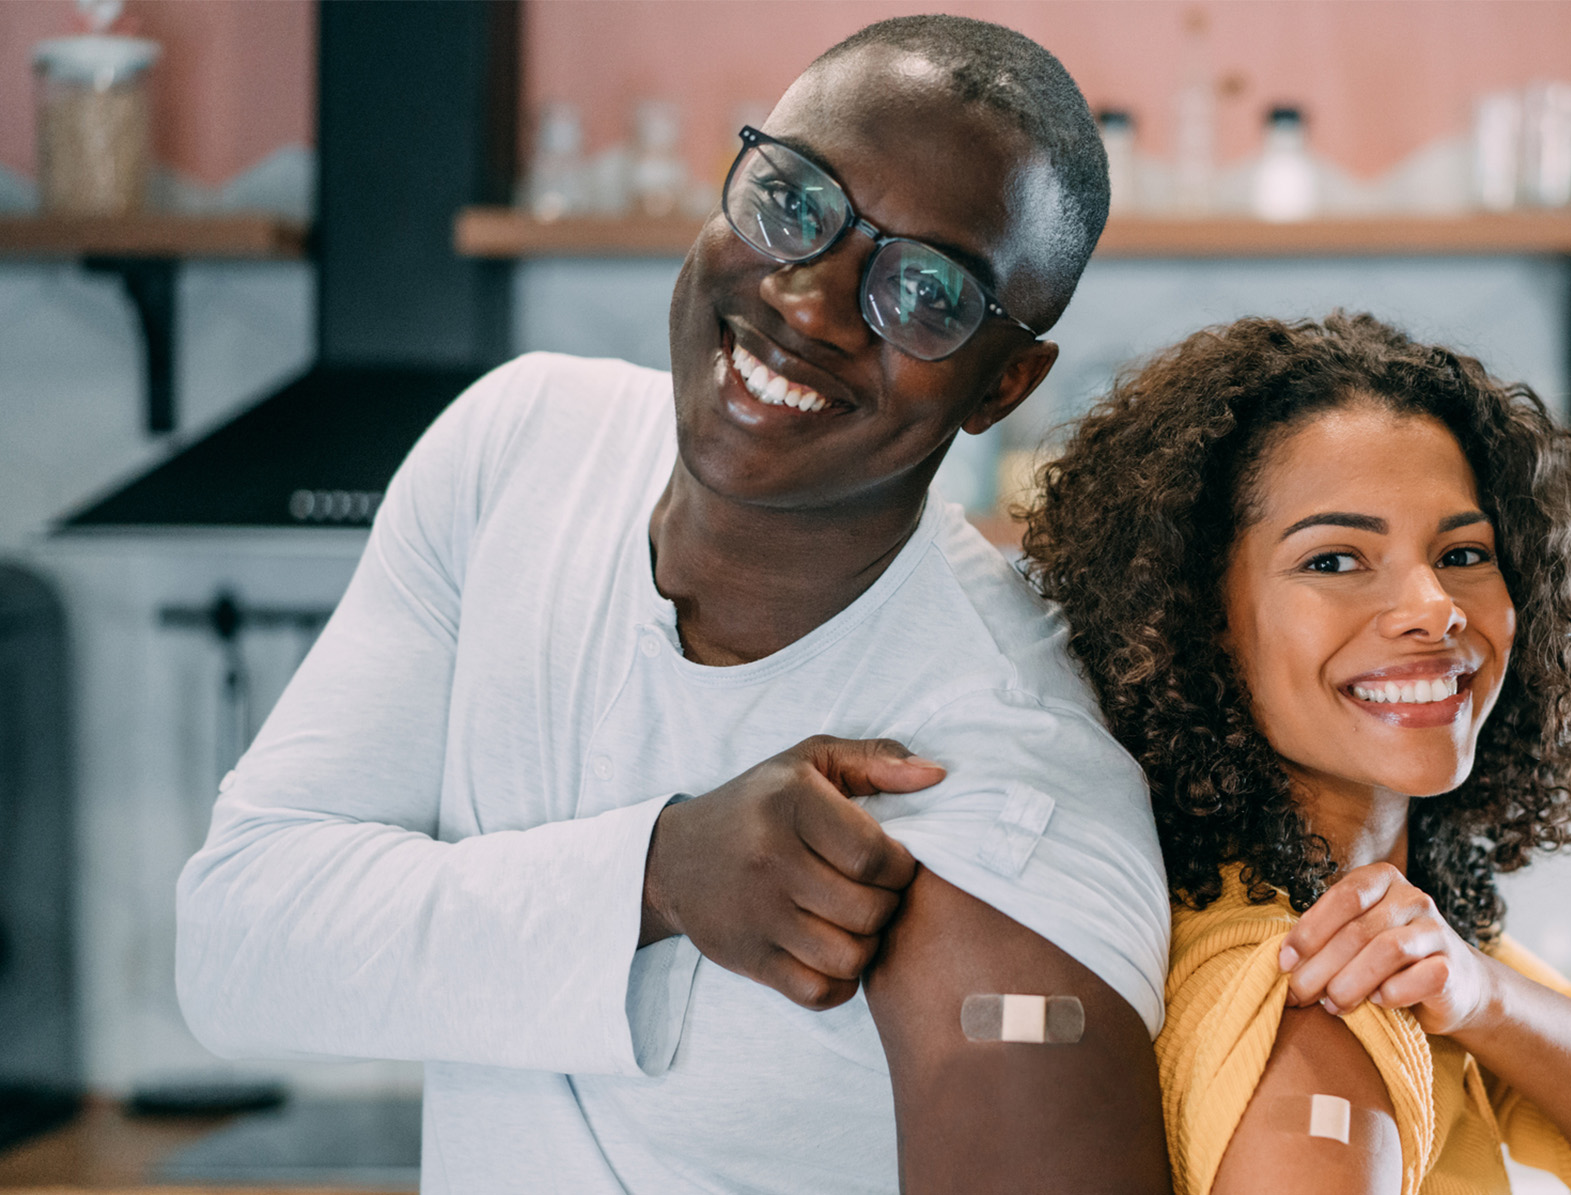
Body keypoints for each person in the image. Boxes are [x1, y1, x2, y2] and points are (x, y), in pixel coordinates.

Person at [175, 17, 1172, 1194]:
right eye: (794, 201)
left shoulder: (1011, 786)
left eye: (925, 290)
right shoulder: (520, 449)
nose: (808, 301)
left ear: (1001, 383)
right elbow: (236, 943)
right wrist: (657, 873)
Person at [1022, 313, 1571, 1194]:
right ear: (1197, 617)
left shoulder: (1389, 926)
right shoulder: (1319, 992)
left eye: (1462, 553)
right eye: (1336, 560)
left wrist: (1484, 996)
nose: (1433, 606)